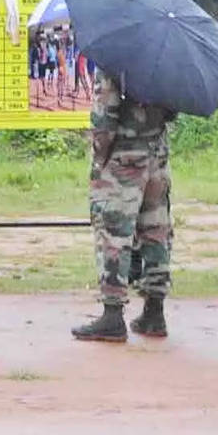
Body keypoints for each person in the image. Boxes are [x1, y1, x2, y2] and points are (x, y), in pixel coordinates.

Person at [72, 69, 175, 342]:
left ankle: (112, 314)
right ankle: (155, 312)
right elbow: (174, 109)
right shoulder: (165, 56)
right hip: (157, 153)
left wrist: (99, 156)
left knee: (114, 232)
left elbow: (106, 116)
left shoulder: (115, 55)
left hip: (123, 158)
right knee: (156, 230)